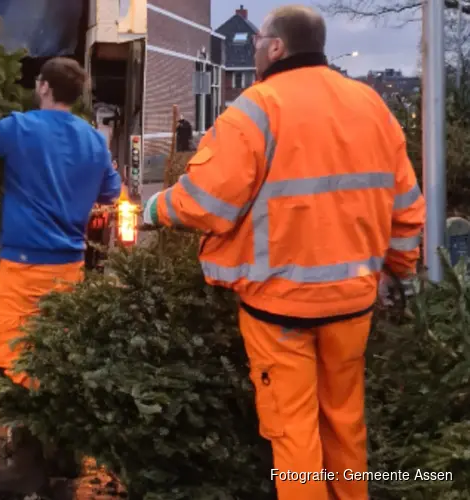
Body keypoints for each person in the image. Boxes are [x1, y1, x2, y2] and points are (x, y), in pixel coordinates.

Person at [142, 6, 425, 500]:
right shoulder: (371, 105)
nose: (251, 52)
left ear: (276, 47)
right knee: (345, 423)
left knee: (293, 431)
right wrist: (397, 271)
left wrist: (153, 208)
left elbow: (207, 201)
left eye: (256, 44)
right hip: (353, 303)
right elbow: (405, 205)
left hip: (280, 308)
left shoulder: (256, 108)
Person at [0, 57, 122, 494]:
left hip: (23, 265)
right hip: (70, 267)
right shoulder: (93, 140)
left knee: (15, 357)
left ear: (42, 87)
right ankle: (64, 454)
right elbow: (111, 192)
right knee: (53, 359)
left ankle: (26, 468)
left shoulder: (20, 128)